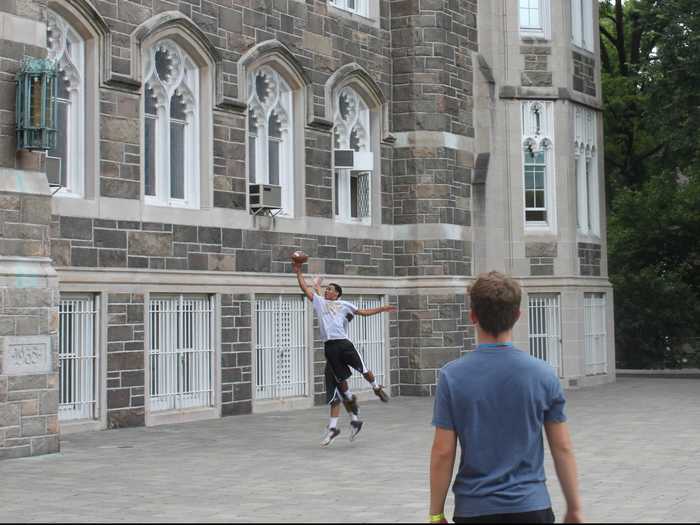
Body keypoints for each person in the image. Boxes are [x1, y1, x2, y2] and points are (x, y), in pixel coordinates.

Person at [429, 271, 584, 524]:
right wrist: (575, 509)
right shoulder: (543, 374)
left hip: (474, 509)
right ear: (517, 316)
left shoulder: (452, 376)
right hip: (532, 506)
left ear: (473, 317)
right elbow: (562, 447)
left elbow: (443, 451)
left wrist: (436, 514)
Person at [294, 264, 396, 447]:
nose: (326, 291)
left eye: (330, 289)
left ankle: (375, 387)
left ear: (337, 294)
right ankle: (351, 412)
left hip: (343, 343)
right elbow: (304, 288)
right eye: (325, 289)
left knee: (362, 369)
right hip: (330, 348)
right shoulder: (320, 302)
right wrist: (299, 272)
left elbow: (363, 313)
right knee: (341, 385)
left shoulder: (344, 306)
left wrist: (382, 309)